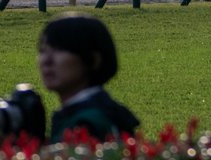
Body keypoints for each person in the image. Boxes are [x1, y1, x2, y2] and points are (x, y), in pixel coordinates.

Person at [38, 14, 139, 144]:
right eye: (42, 50)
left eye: (60, 49)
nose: (47, 60)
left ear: (93, 60)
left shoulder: (89, 124)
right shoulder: (109, 111)